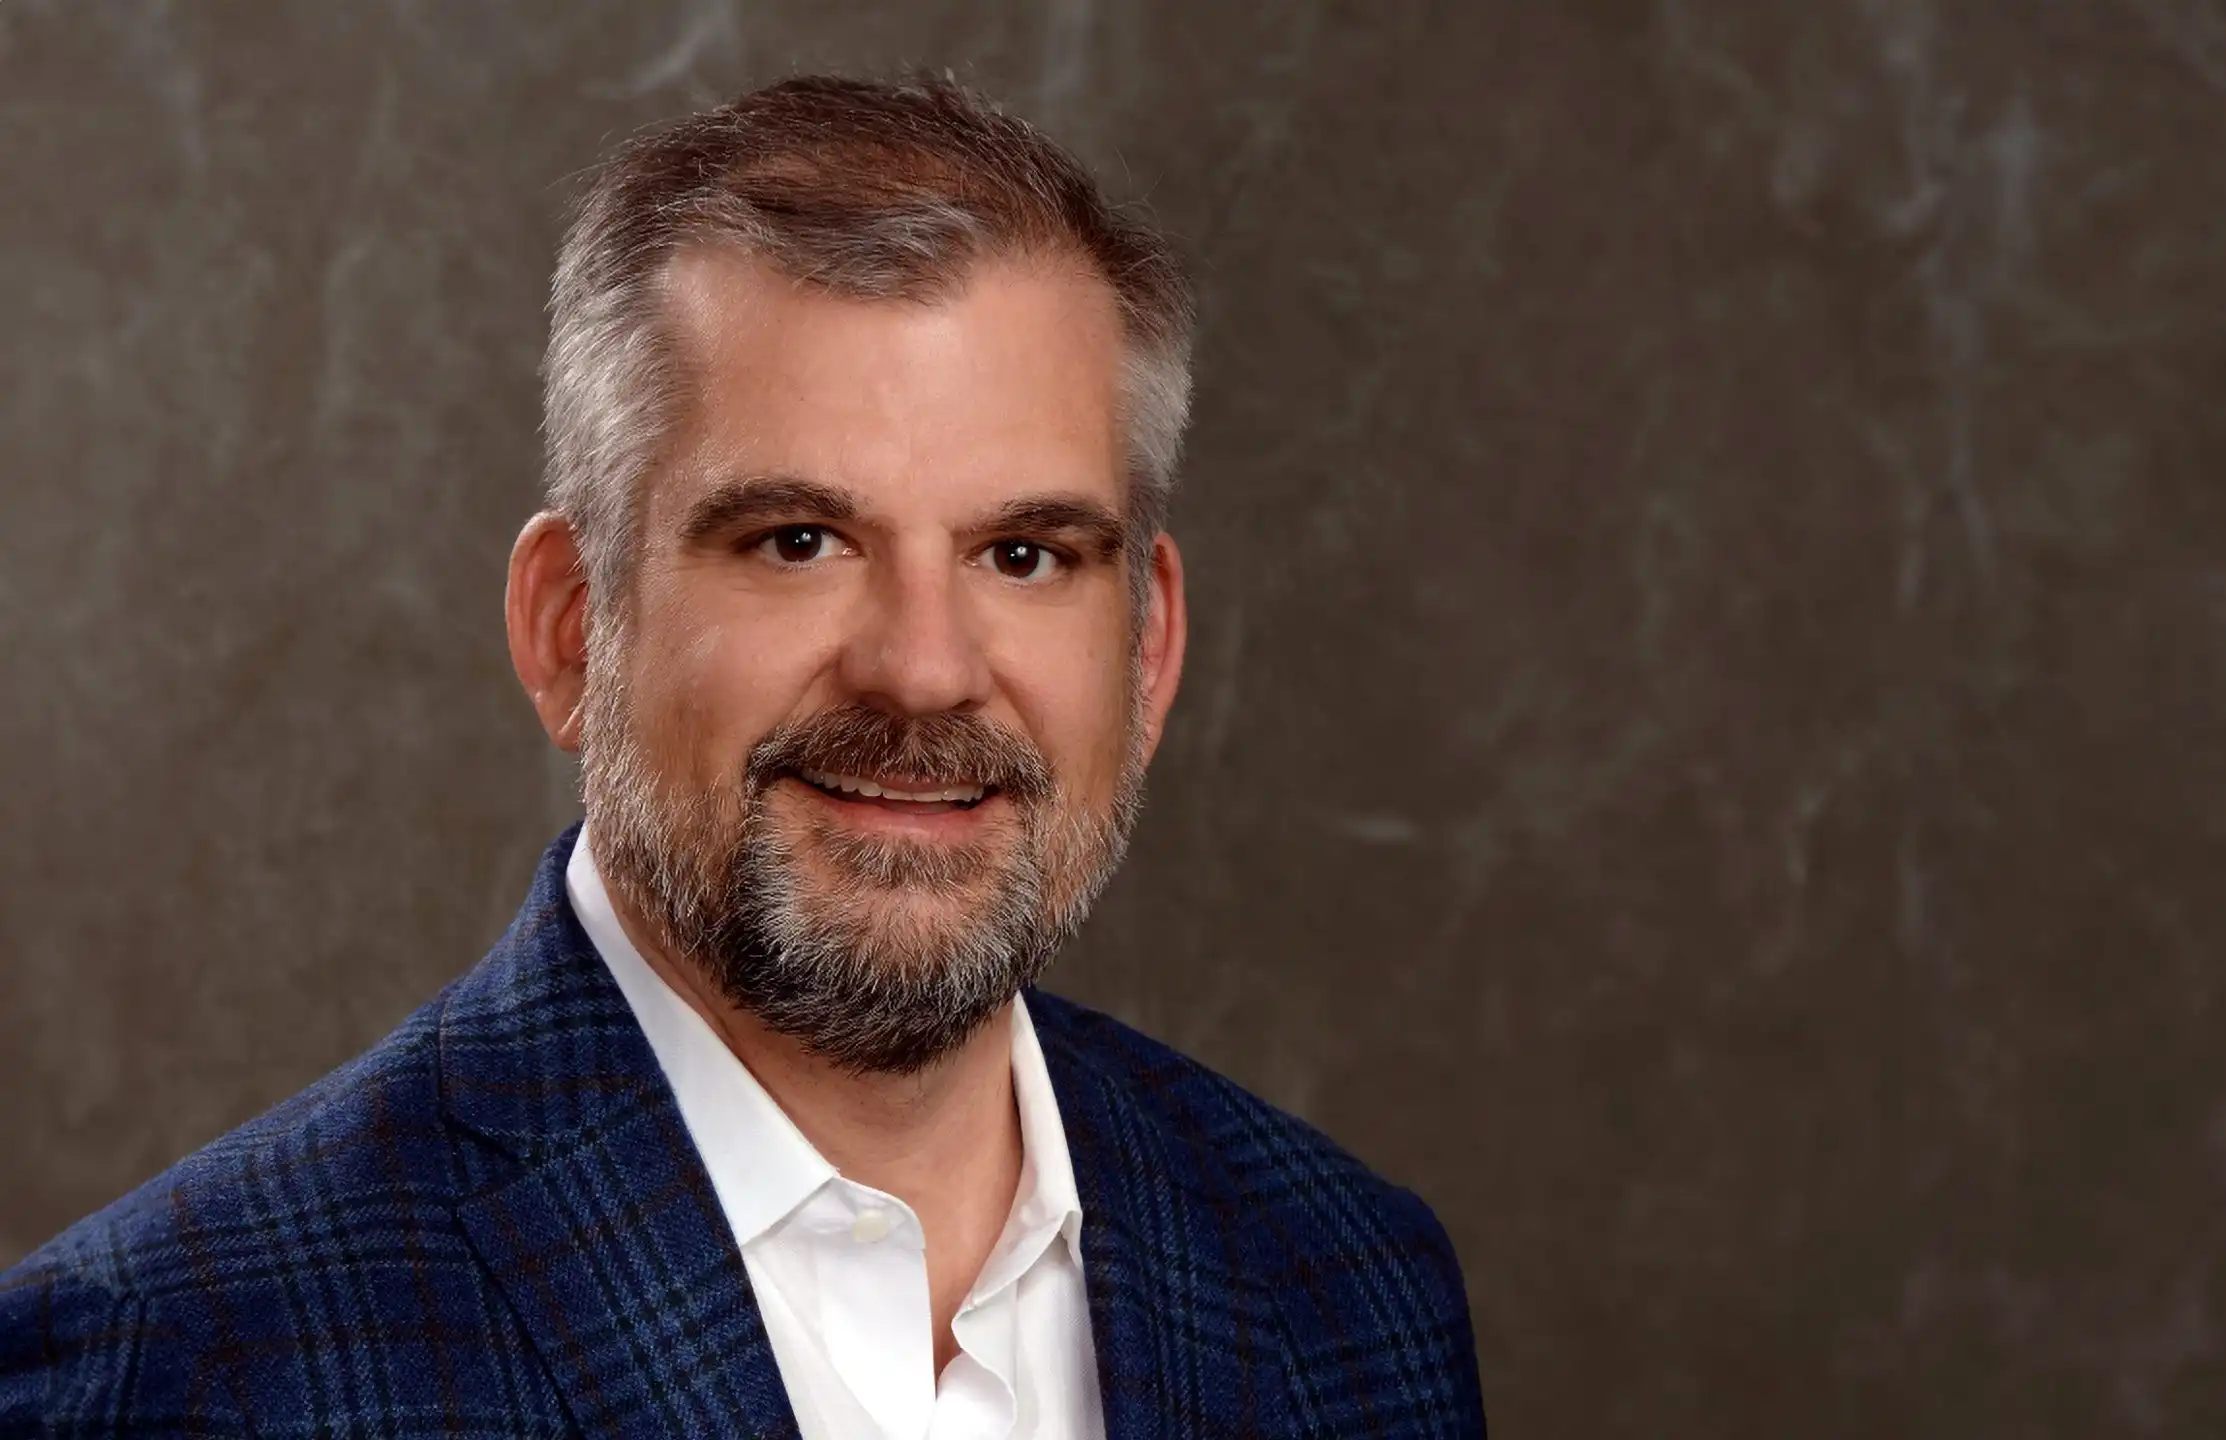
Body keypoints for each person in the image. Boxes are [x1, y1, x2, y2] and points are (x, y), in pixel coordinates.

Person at [0, 73, 1483, 1438]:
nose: (922, 667)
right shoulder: (181, 1366)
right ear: (574, 629)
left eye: (1024, 555)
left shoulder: (1344, 1279)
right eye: (799, 541)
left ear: (1146, 652)